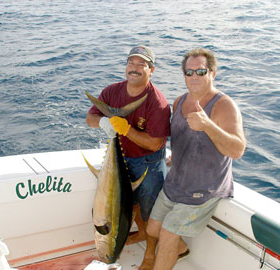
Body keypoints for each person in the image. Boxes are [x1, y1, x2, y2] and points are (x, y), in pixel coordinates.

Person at [142, 48, 246, 270]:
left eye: (201, 71)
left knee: (168, 233)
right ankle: (181, 250)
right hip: (176, 182)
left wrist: (208, 125)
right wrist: (176, 158)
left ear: (213, 73)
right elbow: (182, 136)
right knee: (152, 229)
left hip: (203, 189)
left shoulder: (224, 105)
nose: (194, 77)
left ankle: (172, 249)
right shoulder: (179, 102)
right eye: (189, 72)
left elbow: (238, 150)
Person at [86, 45, 171, 267]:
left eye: (141, 64)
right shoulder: (112, 92)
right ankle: (140, 235)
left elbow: (154, 143)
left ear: (151, 69)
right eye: (131, 63)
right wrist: (104, 121)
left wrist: (126, 130)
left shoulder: (158, 103)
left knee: (150, 212)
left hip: (148, 163)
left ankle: (151, 253)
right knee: (127, 208)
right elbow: (90, 119)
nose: (134, 68)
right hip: (122, 161)